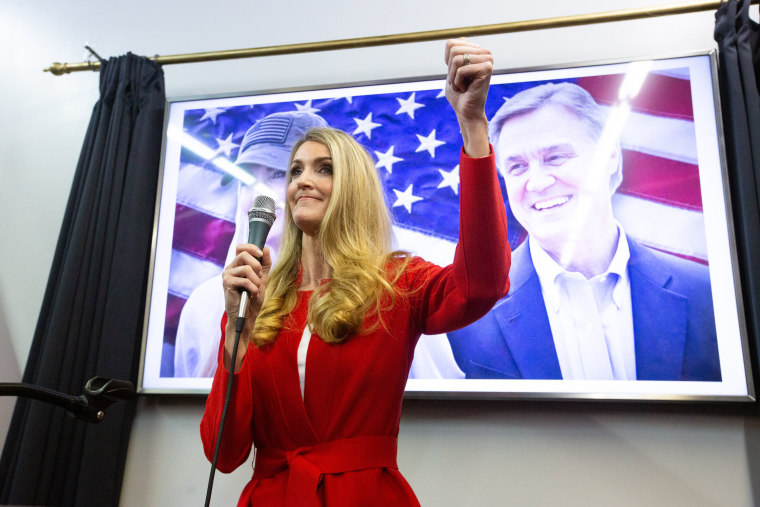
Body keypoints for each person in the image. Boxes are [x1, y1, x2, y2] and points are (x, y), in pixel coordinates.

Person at [200, 39, 510, 505]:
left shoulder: (397, 283)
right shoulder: (253, 300)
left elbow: (482, 284)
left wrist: (472, 126)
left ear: (354, 189)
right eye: (295, 170)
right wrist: (235, 340)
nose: (302, 180)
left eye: (323, 169)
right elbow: (224, 455)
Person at [447, 81, 721, 381]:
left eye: (555, 157)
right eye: (517, 167)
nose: (536, 182)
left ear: (610, 156)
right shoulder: (468, 317)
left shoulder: (708, 296)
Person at [174, 111, 328, 377]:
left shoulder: (361, 296)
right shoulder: (206, 302)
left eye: (279, 174)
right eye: (246, 179)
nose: (260, 193)